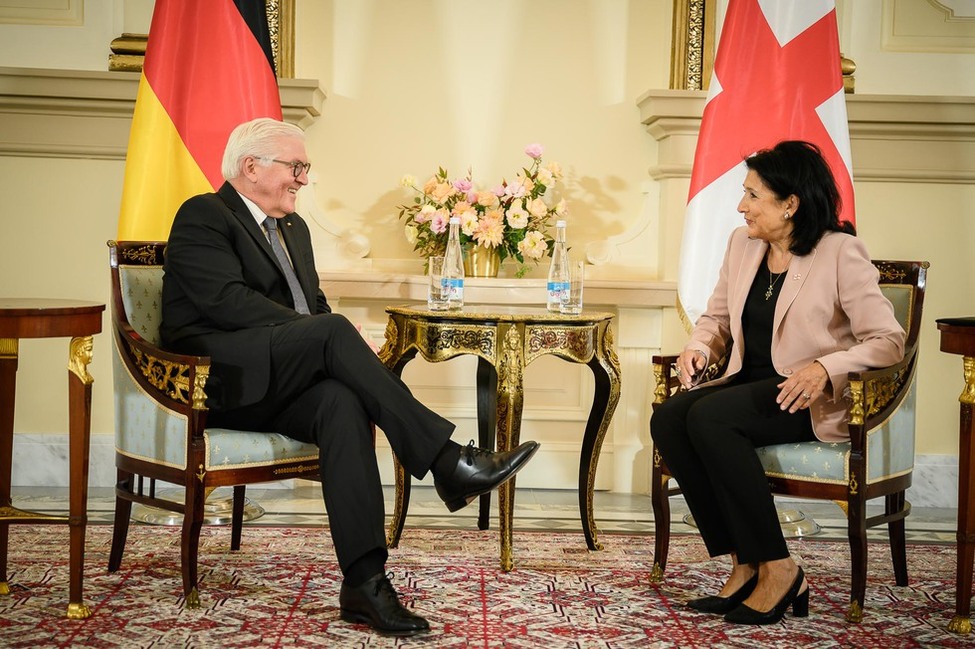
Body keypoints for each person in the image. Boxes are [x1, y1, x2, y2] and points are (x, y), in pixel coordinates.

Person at [160, 117, 540, 637]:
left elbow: (311, 304)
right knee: (333, 331)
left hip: (282, 376)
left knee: (342, 400)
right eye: (296, 167)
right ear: (251, 167)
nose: (304, 179)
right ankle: (448, 461)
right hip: (220, 382)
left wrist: (328, 339)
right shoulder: (204, 215)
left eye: (305, 168)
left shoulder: (293, 228)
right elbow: (225, 303)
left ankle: (364, 583)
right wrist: (322, 336)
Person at [650, 140, 906, 625]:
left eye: (753, 196)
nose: (741, 206)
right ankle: (745, 562)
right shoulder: (742, 244)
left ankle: (781, 568)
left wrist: (827, 369)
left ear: (790, 204)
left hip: (807, 396)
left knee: (711, 417)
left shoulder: (840, 252)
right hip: (749, 383)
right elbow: (717, 318)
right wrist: (700, 347)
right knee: (669, 417)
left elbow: (889, 340)